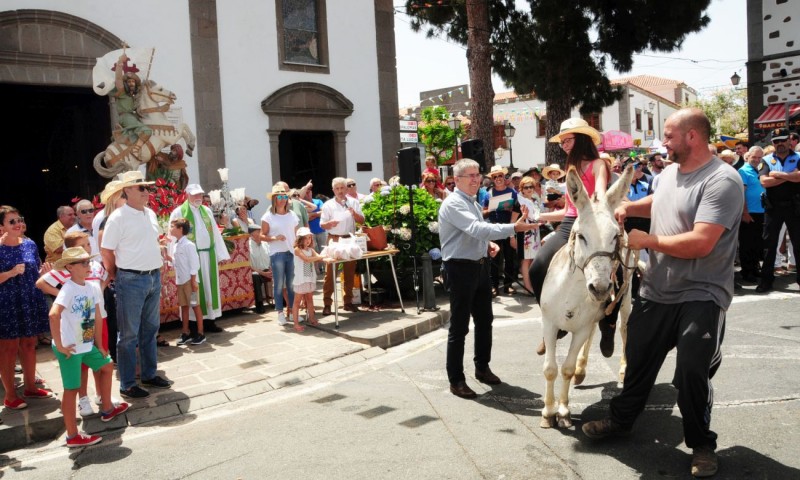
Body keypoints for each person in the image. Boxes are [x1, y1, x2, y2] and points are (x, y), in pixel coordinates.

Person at [582, 108, 744, 479]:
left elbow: (702, 243)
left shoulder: (723, 180)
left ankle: (701, 444)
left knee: (691, 370)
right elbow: (662, 201)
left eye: (669, 135)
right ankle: (621, 421)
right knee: (637, 360)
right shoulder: (669, 174)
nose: (663, 142)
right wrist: (628, 206)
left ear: (692, 137)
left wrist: (648, 240)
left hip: (702, 293)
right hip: (657, 289)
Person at [438, 159, 539, 399]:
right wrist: (513, 228)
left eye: (477, 174)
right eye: (470, 176)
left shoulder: (469, 201)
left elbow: (479, 231)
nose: (476, 179)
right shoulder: (454, 203)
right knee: (459, 327)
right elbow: (477, 229)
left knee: (485, 321)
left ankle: (482, 368)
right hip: (460, 269)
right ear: (457, 180)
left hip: (479, 266)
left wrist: (488, 244)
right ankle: (456, 379)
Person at [530, 118, 616, 357]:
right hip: (570, 225)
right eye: (563, 141)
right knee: (537, 268)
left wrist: (599, 203)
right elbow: (569, 209)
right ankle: (552, 323)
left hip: (593, 224)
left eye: (568, 140)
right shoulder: (571, 170)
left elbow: (599, 194)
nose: (564, 145)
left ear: (582, 139)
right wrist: (541, 216)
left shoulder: (598, 164)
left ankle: (609, 324)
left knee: (617, 272)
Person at [101, 170, 173, 399]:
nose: (147, 191)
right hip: (131, 278)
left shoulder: (149, 213)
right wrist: (114, 273)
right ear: (127, 191)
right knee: (129, 334)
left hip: (152, 276)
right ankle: (128, 383)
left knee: (150, 330)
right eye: (142, 187)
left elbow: (153, 239)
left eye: (147, 187)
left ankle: (149, 374)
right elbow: (106, 249)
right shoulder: (118, 217)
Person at [48, 247, 129, 447]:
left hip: (85, 345)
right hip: (70, 348)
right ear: (70, 267)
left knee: (107, 365)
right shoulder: (67, 289)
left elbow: (98, 317)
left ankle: (108, 409)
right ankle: (72, 435)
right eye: (83, 263)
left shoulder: (92, 288)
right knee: (71, 389)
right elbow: (53, 314)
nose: (88, 266)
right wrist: (60, 345)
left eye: (88, 261)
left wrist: (100, 345)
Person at [36, 232, 110, 417]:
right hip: (74, 335)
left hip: (92, 324)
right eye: (82, 246)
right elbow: (41, 284)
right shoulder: (68, 277)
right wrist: (62, 297)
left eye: (88, 244)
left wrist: (98, 291)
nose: (87, 248)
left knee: (101, 364)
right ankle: (83, 400)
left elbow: (105, 279)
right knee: (76, 378)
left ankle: (102, 397)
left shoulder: (92, 268)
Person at [0, 206, 53, 410]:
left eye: (19, 219)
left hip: (30, 299)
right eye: (11, 221)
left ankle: (31, 386)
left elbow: (36, 272)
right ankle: (11, 396)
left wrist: (43, 272)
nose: (17, 224)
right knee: (9, 349)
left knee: (30, 344)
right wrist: (10, 273)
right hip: (7, 303)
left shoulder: (29, 244)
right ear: (1, 226)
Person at [170, 184, 231, 333]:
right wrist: (173, 257)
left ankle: (210, 320)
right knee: (192, 290)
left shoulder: (207, 211)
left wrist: (221, 253)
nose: (198, 198)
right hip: (189, 257)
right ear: (187, 195)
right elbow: (172, 235)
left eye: (200, 195)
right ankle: (192, 324)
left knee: (210, 288)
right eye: (195, 195)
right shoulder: (179, 212)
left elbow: (215, 232)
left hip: (208, 255)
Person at [756, 128, 800, 293]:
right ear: (772, 143)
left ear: (789, 140)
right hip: (773, 208)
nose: (779, 144)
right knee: (769, 245)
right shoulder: (766, 160)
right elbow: (765, 182)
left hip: (795, 208)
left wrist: (778, 175)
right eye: (776, 141)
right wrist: (790, 176)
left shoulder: (798, 157)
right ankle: (766, 281)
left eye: (782, 140)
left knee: (799, 245)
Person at [320, 177, 364, 315]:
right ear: (333, 190)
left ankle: (348, 302)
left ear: (346, 189)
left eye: (342, 188)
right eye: (337, 188)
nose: (340, 191)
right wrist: (330, 224)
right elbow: (322, 224)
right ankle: (327, 303)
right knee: (330, 273)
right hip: (334, 239)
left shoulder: (353, 202)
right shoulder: (328, 205)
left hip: (349, 239)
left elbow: (362, 220)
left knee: (349, 272)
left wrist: (353, 213)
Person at [261, 184, 299, 325]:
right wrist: (274, 238)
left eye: (284, 197)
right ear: (274, 199)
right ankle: (280, 312)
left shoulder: (292, 215)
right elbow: (262, 235)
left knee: (291, 284)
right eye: (279, 197)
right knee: (278, 284)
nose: (282, 199)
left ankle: (292, 312)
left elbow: (295, 233)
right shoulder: (268, 216)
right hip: (277, 253)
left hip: (291, 252)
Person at [482, 165, 518, 296]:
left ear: (504, 177)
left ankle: (508, 285)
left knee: (509, 258)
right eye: (495, 176)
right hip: (494, 227)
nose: (497, 178)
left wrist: (510, 209)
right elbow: (483, 214)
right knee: (494, 259)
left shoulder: (513, 193)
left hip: (508, 226)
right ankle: (494, 286)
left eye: (500, 176)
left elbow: (517, 210)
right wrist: (491, 209)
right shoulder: (488, 194)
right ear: (492, 179)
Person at [170, 219, 206, 346]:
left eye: (173, 227)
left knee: (195, 306)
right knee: (184, 306)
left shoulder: (189, 245)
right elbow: (176, 262)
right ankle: (185, 332)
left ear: (180, 229)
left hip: (189, 281)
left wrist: (193, 281)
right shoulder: (176, 245)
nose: (170, 229)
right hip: (181, 280)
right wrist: (167, 256)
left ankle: (201, 333)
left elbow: (194, 263)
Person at [112, 53, 151, 157]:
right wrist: (120, 62)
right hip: (126, 117)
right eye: (129, 81)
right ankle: (136, 149)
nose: (131, 83)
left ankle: (124, 137)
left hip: (132, 117)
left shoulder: (133, 97)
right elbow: (118, 79)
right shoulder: (122, 91)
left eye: (133, 82)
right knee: (147, 131)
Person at [738, 146, 766, 283]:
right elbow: (741, 193)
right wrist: (744, 212)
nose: (757, 160)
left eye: (760, 157)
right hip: (750, 213)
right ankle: (746, 272)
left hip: (763, 212)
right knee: (747, 244)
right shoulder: (743, 171)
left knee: (757, 244)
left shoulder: (762, 169)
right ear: (748, 157)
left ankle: (755, 269)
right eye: (754, 157)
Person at [510, 176, 542, 295]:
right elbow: (512, 221)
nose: (529, 189)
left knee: (533, 259)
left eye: (531, 187)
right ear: (521, 189)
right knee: (525, 261)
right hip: (524, 235)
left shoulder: (534, 201)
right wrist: (511, 237)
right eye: (526, 187)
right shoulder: (519, 201)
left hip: (535, 233)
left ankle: (532, 285)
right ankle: (527, 288)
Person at [292, 227, 327, 332]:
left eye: (310, 238)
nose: (308, 240)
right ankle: (296, 324)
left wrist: (325, 256)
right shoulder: (297, 250)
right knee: (297, 302)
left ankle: (312, 319)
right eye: (306, 238)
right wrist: (320, 257)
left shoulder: (311, 250)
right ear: (300, 239)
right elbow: (307, 260)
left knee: (310, 299)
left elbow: (320, 257)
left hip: (310, 278)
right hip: (301, 279)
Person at [248, 224, 272, 313]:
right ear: (251, 235)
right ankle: (259, 305)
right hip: (257, 271)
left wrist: (271, 269)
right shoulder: (248, 246)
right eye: (257, 232)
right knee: (255, 276)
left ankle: (283, 301)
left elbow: (271, 257)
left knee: (280, 271)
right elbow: (249, 265)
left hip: (268, 269)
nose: (260, 234)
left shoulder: (265, 243)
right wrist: (262, 273)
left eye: (260, 232)